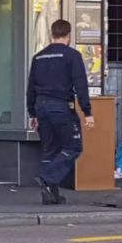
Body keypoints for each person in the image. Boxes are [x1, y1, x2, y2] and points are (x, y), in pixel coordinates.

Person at [27, 19, 94, 205]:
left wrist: (32, 113)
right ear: (69, 35)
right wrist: (87, 112)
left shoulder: (38, 57)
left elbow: (30, 88)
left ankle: (51, 195)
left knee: (50, 150)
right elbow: (80, 85)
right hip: (61, 107)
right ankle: (47, 175)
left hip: (41, 106)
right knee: (73, 147)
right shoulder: (72, 56)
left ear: (52, 34)